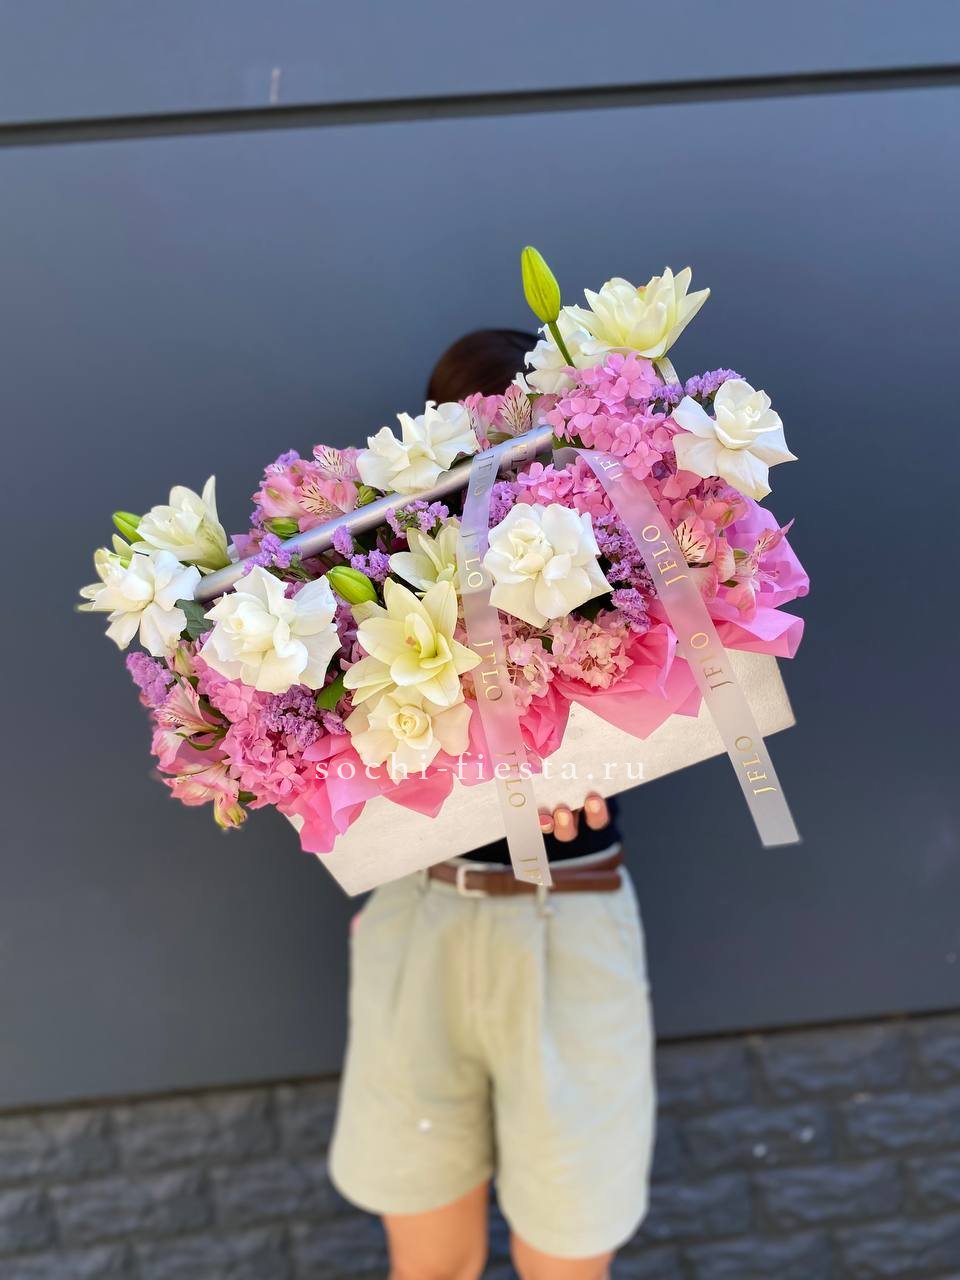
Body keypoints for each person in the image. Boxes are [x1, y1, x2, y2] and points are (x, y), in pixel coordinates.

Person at [328, 331, 656, 1280]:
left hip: (570, 913)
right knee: (430, 1264)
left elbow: (671, 703)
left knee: (568, 1258)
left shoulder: (613, 549)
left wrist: (594, 770)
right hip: (422, 908)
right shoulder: (376, 570)